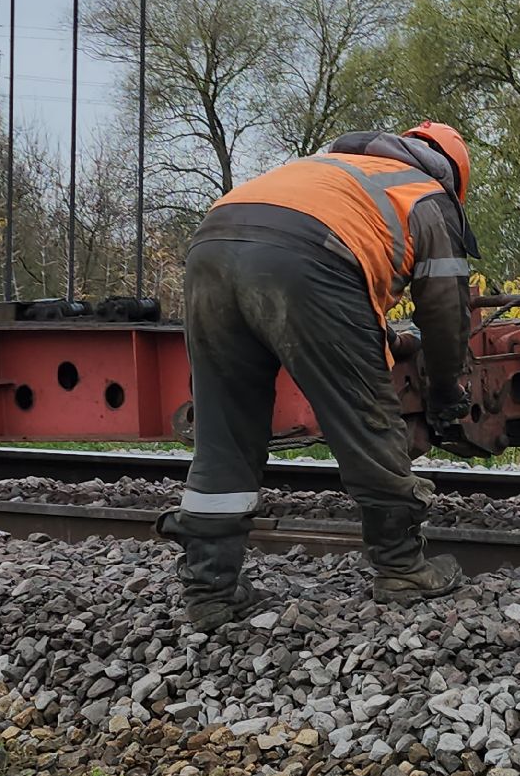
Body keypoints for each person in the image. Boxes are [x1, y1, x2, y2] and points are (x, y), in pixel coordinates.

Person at [157, 122, 480, 626]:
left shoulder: (325, 167)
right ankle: (401, 566)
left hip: (211, 246)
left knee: (225, 432)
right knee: (366, 418)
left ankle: (210, 589)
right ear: (453, 178)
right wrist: (443, 389)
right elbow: (444, 311)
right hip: (307, 255)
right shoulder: (426, 195)